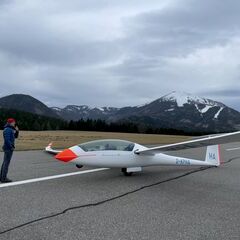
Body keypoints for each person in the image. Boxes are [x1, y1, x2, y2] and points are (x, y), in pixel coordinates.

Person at [0, 118, 19, 183]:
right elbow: (7, 140)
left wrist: (17, 131)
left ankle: (2, 177)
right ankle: (4, 178)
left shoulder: (10, 129)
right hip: (8, 148)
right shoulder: (8, 129)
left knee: (5, 162)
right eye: (14, 122)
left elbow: (15, 137)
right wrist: (11, 147)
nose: (14, 124)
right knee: (6, 163)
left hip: (8, 148)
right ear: (10, 122)